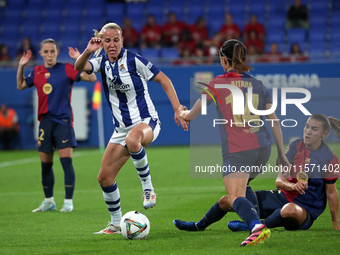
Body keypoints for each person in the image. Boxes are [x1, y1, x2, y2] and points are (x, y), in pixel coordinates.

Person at [74, 22, 188, 234]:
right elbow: (79, 67)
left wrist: (176, 109)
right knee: (104, 177)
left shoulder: (134, 60)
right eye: (107, 41)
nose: (112, 44)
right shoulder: (101, 62)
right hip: (121, 130)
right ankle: (116, 223)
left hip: (147, 122)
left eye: (116, 40)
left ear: (122, 41)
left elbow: (164, 79)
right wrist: (87, 51)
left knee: (133, 139)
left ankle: (148, 189)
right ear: (102, 42)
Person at [176, 39, 290, 246]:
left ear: (223, 59)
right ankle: (199, 226)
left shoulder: (217, 83)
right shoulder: (258, 84)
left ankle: (256, 227)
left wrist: (182, 112)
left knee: (236, 196)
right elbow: (273, 120)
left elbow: (192, 115)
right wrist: (281, 153)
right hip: (263, 148)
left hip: (239, 149)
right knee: (233, 196)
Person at [174, 114, 340, 233]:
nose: (308, 132)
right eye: (307, 126)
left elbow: (331, 193)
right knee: (228, 200)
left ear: (324, 134)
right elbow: (279, 181)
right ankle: (198, 226)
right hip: (282, 197)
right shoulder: (295, 146)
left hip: (305, 210)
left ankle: (256, 225)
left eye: (314, 129)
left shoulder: (330, 159)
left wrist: (335, 224)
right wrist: (293, 185)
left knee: (289, 209)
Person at [16, 39, 97, 213]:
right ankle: (49, 201)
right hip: (45, 122)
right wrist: (21, 66)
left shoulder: (67, 68)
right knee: (45, 165)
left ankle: (68, 202)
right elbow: (21, 85)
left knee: (66, 163)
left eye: (52, 51)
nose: (50, 54)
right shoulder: (36, 71)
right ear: (42, 54)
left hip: (63, 121)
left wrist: (80, 59)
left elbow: (92, 77)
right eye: (46, 52)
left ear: (57, 52)